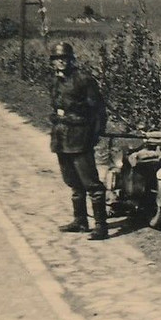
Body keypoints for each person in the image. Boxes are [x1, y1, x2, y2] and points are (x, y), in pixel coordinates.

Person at [49, 42, 109, 240]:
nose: (61, 62)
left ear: (71, 59)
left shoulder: (83, 80)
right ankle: (80, 220)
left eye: (64, 58)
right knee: (73, 182)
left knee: (91, 183)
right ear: (53, 62)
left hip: (80, 137)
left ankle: (101, 226)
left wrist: (94, 135)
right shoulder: (55, 80)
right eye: (57, 59)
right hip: (61, 136)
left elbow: (98, 110)